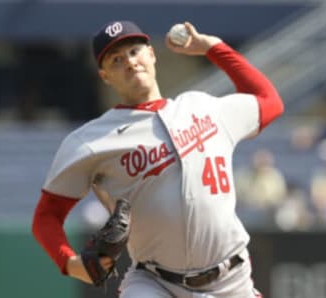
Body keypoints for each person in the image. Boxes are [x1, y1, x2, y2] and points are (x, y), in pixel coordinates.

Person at [32, 20, 283, 298]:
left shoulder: (205, 107)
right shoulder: (90, 141)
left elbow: (269, 101)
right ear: (105, 76)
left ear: (151, 55)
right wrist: (69, 262)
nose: (129, 62)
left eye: (134, 51)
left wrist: (213, 47)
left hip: (232, 280)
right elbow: (46, 216)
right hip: (155, 282)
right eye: (116, 59)